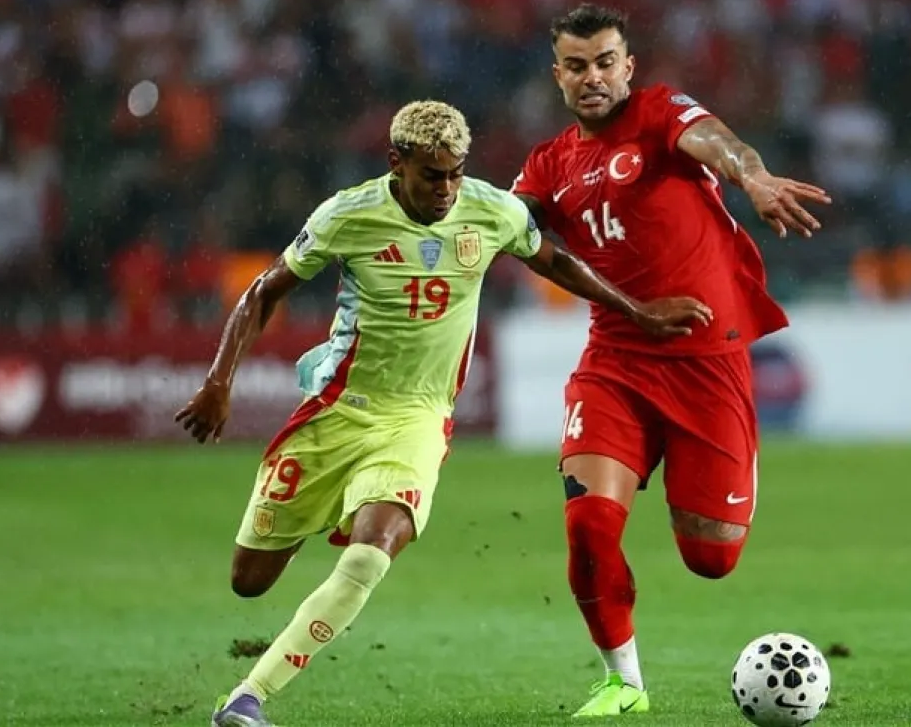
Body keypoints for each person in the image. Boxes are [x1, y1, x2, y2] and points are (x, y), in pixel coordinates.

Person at [175, 100, 711, 727]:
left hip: (417, 420)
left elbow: (555, 261)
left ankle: (248, 697)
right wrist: (219, 381)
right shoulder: (348, 214)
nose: (447, 189)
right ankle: (319, 511)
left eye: (457, 172)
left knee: (371, 553)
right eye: (433, 175)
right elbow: (264, 290)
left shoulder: (491, 211)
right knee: (249, 580)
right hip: (337, 411)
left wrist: (638, 312)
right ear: (396, 163)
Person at [510, 4, 833, 717]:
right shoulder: (548, 164)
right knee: (589, 527)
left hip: (705, 363)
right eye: (576, 66)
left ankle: (729, 475)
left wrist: (753, 177)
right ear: (558, 75)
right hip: (614, 363)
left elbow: (718, 142)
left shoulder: (659, 113)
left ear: (627, 66)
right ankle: (623, 683)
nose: (592, 77)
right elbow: (510, 230)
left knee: (711, 557)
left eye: (605, 62)